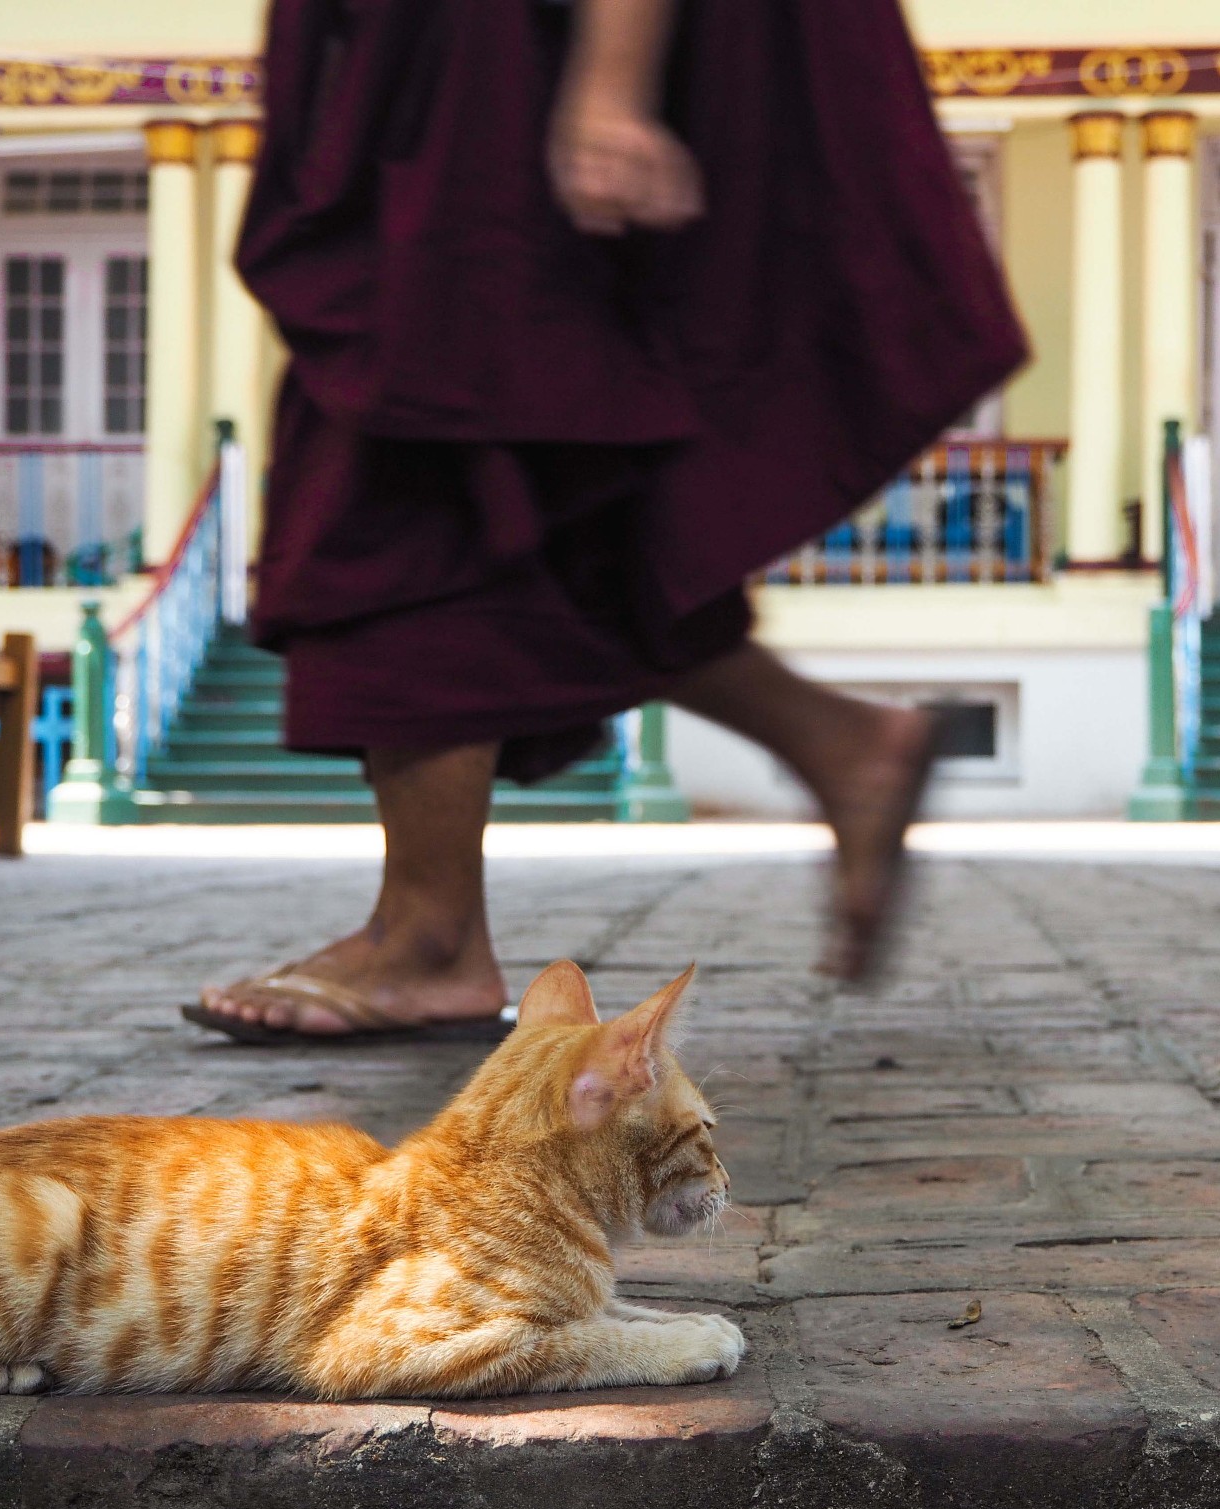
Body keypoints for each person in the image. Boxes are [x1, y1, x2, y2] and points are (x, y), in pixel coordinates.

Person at [187, 0, 1026, 1040]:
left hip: (492, 80)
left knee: (424, 470)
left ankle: (428, 936)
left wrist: (608, 86)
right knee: (524, 499)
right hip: (432, 82)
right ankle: (845, 746)